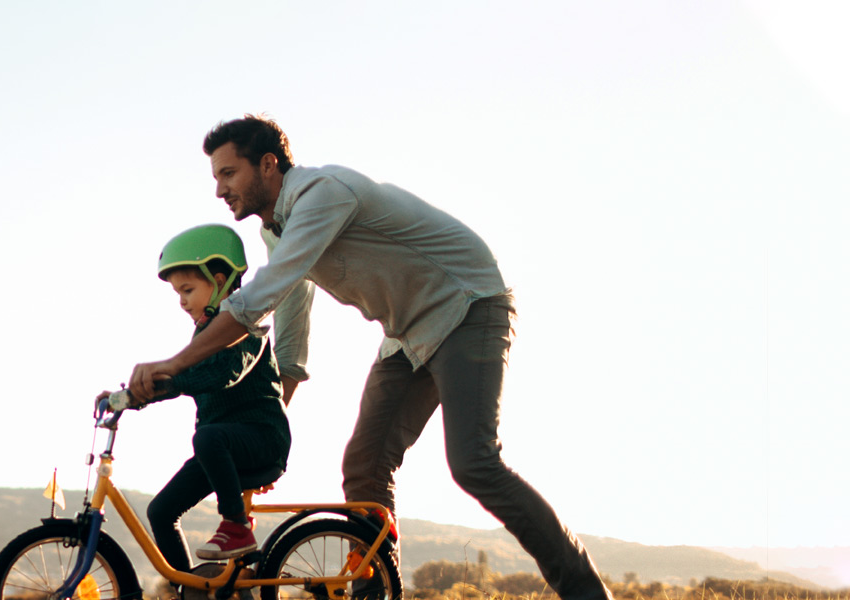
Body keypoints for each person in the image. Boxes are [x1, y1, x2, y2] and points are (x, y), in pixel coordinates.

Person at [127, 115, 613, 600]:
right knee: (364, 465)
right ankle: (375, 590)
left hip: (468, 306)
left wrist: (175, 363)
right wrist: (264, 432)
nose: (219, 189)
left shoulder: (323, 194)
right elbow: (287, 328)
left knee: (474, 463)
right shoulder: (278, 233)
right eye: (215, 177)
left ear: (268, 165)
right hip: (405, 337)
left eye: (228, 174)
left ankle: (587, 594)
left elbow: (256, 299)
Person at [101, 224, 291, 570]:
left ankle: (236, 526)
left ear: (219, 281)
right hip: (219, 447)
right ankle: (188, 592)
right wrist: (128, 397)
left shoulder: (248, 323)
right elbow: (187, 378)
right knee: (160, 512)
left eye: (187, 289)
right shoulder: (204, 333)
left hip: (261, 438)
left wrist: (172, 376)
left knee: (206, 436)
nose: (181, 301)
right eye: (177, 293)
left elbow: (223, 374)